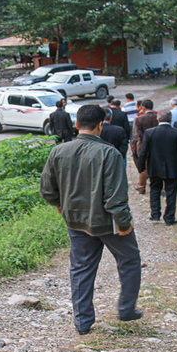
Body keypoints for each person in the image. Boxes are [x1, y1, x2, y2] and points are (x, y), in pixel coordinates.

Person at [40, 104, 142, 335]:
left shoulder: (58, 151)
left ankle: (83, 322)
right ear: (100, 125)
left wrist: (60, 207)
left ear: (76, 125)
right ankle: (126, 309)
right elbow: (116, 198)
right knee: (129, 260)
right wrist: (125, 224)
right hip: (109, 223)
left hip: (75, 222)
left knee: (81, 269)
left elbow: (47, 190)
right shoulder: (109, 153)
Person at [137, 110, 177, 226]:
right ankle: (169, 217)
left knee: (154, 190)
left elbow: (144, 151)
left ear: (158, 120)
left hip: (154, 166)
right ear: (170, 120)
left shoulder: (150, 133)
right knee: (171, 192)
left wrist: (141, 167)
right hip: (173, 167)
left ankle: (155, 214)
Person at [130, 99, 158, 194]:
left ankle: (142, 186)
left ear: (143, 107)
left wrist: (134, 144)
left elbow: (137, 133)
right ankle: (159, 187)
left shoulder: (139, 118)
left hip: (142, 145)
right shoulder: (158, 117)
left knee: (144, 166)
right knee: (157, 165)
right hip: (156, 145)